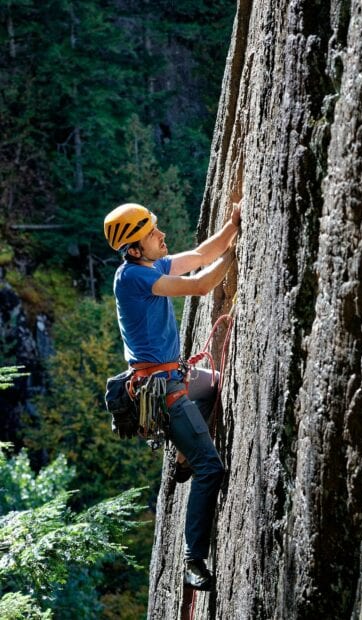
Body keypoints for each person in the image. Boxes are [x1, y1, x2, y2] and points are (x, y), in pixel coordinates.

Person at [103, 200, 241, 591]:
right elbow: (200, 284)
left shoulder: (151, 266)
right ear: (133, 249)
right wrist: (235, 253)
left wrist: (233, 226)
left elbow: (199, 256)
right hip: (162, 392)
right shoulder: (132, 278)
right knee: (211, 468)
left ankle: (182, 458)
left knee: (212, 383)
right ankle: (192, 561)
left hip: (173, 378)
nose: (161, 236)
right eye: (151, 235)